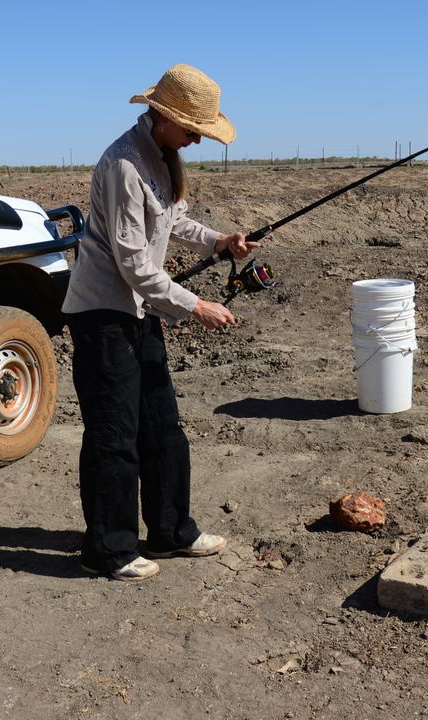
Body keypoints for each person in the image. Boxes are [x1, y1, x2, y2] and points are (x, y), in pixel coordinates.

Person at [62, 64, 259, 582]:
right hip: (103, 315)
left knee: (162, 425)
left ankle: (172, 531)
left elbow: (174, 221)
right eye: (193, 129)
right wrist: (195, 306)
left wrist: (220, 241)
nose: (196, 140)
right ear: (165, 117)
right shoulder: (125, 165)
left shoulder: (162, 159)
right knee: (114, 433)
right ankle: (109, 548)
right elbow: (133, 263)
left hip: (140, 311)